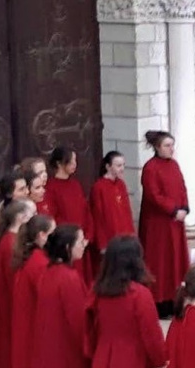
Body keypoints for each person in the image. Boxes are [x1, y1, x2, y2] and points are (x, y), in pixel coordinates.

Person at [86, 236, 168, 368]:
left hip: (102, 357)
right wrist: (161, 360)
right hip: (133, 359)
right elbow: (151, 334)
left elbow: (90, 331)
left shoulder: (96, 291)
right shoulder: (140, 294)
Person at [139, 130, 190, 319]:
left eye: (172, 145)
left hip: (175, 222)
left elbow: (182, 186)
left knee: (175, 261)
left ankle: (174, 299)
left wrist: (184, 207)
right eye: (167, 146)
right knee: (160, 262)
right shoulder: (150, 168)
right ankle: (159, 302)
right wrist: (174, 209)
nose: (171, 149)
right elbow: (154, 195)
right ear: (157, 147)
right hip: (158, 224)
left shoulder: (174, 165)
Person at [0, 199, 36, 368]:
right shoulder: (11, 243)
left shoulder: (10, 239)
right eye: (33, 214)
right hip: (11, 306)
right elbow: (15, 281)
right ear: (21, 217)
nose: (36, 218)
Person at [33, 224, 90, 368]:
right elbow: (78, 321)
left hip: (49, 346)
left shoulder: (48, 271)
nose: (84, 244)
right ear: (67, 247)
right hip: (67, 351)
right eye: (80, 241)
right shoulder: (69, 278)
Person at [11, 214, 55, 368]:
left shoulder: (30, 256)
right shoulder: (39, 263)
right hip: (34, 324)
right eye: (52, 234)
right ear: (42, 235)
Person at [46, 146, 96, 285]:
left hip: (81, 242)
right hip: (67, 245)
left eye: (75, 161)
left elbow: (86, 212)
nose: (75, 164)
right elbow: (53, 217)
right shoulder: (51, 188)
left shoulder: (75, 184)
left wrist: (88, 236)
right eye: (71, 161)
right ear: (59, 164)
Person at [90, 151, 136, 256]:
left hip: (125, 235)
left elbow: (127, 212)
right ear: (108, 166)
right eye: (118, 165)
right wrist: (102, 243)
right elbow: (97, 217)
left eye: (123, 165)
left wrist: (132, 235)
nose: (122, 168)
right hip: (111, 237)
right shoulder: (99, 187)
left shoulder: (121, 184)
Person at [0, 172, 29, 257]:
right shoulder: (5, 215)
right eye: (21, 189)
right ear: (9, 194)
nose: (27, 192)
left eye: (26, 187)